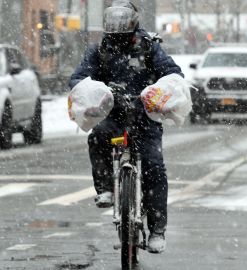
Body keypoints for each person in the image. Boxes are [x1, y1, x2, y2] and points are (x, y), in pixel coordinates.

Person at [69, 0, 183, 254]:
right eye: (114, 29)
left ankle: (156, 230)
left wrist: (158, 91)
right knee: (98, 136)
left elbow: (172, 72)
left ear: (133, 25)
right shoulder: (98, 49)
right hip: (113, 114)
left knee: (153, 164)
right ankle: (105, 189)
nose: (118, 35)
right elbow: (79, 77)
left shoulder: (149, 46)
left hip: (145, 116)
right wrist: (96, 92)